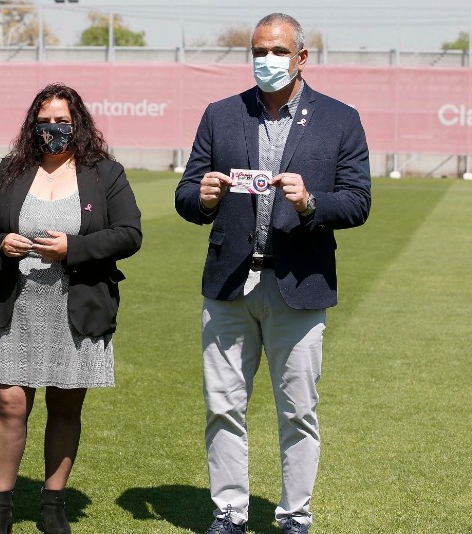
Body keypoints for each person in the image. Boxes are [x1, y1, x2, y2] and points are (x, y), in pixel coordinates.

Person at [174, 13, 371, 534]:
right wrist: (202, 198)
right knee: (223, 407)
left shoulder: (340, 119)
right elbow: (186, 194)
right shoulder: (220, 114)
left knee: (298, 412)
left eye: (280, 51)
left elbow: (357, 201)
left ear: (302, 58)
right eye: (259, 50)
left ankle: (295, 516)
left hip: (300, 286)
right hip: (228, 286)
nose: (268, 60)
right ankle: (230, 512)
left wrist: (310, 204)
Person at [0, 83, 142, 534]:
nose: (54, 129)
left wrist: (74, 248)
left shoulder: (105, 173)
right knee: (9, 403)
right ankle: (0, 508)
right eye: (46, 120)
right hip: (16, 302)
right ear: (33, 124)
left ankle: (53, 504)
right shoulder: (10, 171)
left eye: (63, 120)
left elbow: (129, 234)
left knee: (65, 405)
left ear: (78, 123)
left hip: (77, 304)